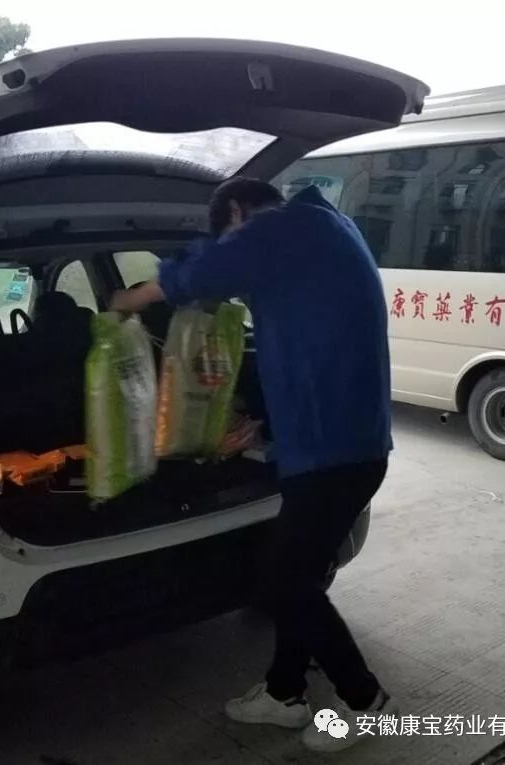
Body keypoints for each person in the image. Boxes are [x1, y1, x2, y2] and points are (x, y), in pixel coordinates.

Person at [110, 177, 396, 753]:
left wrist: (128, 301)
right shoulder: (324, 230)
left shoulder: (281, 228)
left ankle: (365, 702)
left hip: (333, 454)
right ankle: (285, 693)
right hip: (346, 444)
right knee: (298, 577)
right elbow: (310, 337)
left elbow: (198, 274)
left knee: (283, 581)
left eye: (230, 237)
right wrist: (264, 426)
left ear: (238, 212)